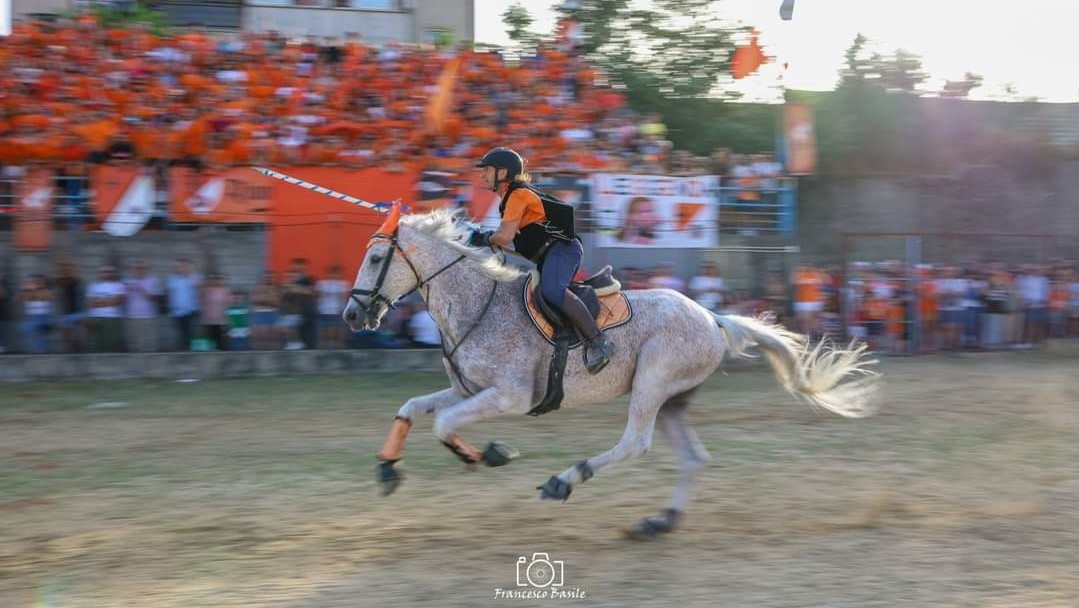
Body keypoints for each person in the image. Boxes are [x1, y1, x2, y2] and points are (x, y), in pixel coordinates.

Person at [469, 147, 614, 373]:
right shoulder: (508, 200)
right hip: (550, 254)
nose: (482, 175)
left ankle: (600, 341)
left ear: (503, 172)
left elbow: (504, 236)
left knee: (552, 290)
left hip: (563, 250)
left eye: (486, 170)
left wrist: (484, 237)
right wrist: (487, 239)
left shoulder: (517, 196)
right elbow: (508, 240)